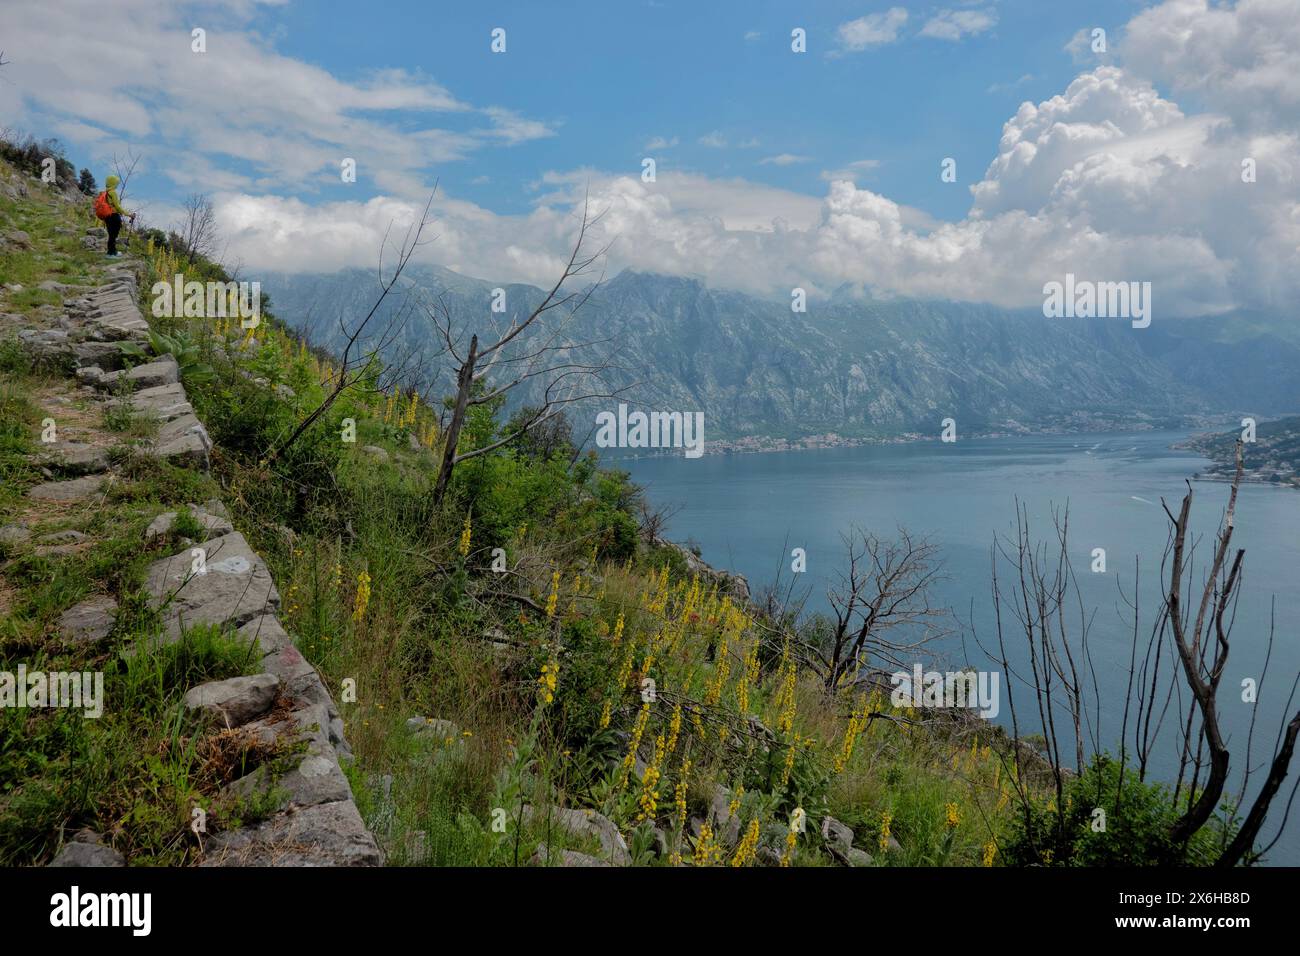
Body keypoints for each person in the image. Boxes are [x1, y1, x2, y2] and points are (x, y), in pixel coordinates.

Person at [98, 174, 135, 257]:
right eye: (116, 183)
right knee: (113, 235)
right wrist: (128, 214)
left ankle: (111, 251)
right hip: (114, 216)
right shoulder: (113, 193)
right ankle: (112, 253)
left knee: (111, 235)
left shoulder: (106, 192)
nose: (117, 184)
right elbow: (117, 207)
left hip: (107, 216)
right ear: (113, 183)